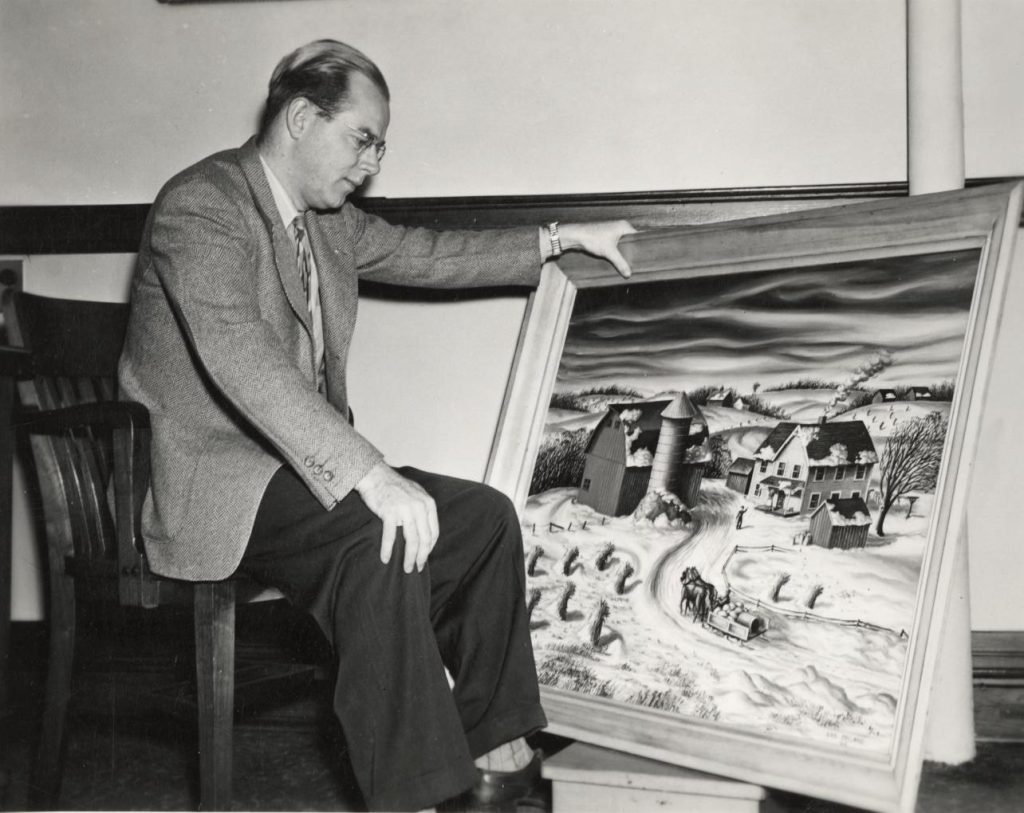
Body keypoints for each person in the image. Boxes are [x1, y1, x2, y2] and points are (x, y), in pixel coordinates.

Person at [118, 39, 634, 812]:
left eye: (381, 145)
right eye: (363, 138)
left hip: (299, 473)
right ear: (300, 117)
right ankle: (414, 795)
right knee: (381, 534)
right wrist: (371, 472)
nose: (373, 162)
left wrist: (560, 240)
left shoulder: (328, 223)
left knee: (484, 518)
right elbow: (241, 357)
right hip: (216, 481)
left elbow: (431, 254)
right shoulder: (203, 205)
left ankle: (494, 745)